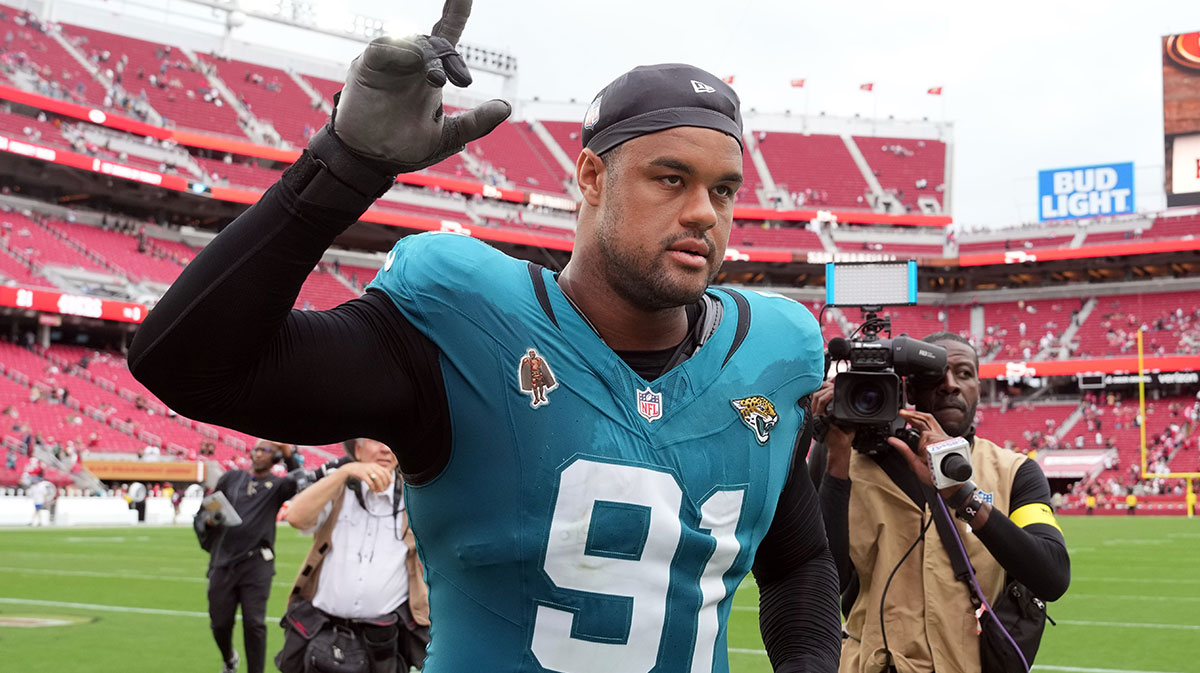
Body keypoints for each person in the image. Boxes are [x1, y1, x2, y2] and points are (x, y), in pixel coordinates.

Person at [128, 2, 842, 671]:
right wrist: (343, 166)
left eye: (722, 190)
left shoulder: (766, 356)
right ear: (592, 176)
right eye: (670, 178)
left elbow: (798, 560)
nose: (702, 213)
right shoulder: (464, 326)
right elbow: (187, 365)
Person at [810, 333, 1070, 673]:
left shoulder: (1014, 471)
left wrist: (961, 494)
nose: (950, 385)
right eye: (936, 375)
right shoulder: (844, 460)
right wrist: (837, 456)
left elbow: (1051, 576)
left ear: (978, 386)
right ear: (909, 388)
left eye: (964, 373)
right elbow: (823, 585)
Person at [276, 439, 430, 673]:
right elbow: (296, 517)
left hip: (385, 638)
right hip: (326, 631)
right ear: (357, 449)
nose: (386, 448)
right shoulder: (336, 492)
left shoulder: (415, 499)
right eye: (376, 440)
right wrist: (343, 472)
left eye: (392, 441)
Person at [195, 440, 301, 673]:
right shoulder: (231, 478)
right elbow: (206, 509)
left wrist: (288, 453)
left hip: (257, 563)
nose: (259, 453)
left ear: (274, 458)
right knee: (220, 622)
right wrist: (210, 520)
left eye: (266, 450)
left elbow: (302, 483)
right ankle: (229, 658)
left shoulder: (279, 485)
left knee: (254, 624)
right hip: (223, 559)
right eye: (257, 449)